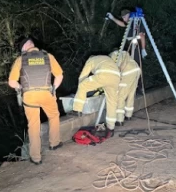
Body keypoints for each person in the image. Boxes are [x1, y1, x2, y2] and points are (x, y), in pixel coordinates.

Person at [8, 37, 64, 165]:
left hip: (29, 96)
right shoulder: (48, 56)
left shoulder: (21, 59)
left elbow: (12, 82)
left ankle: (36, 157)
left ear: (24, 48)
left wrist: (21, 88)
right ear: (33, 45)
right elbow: (59, 75)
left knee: (33, 125)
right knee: (54, 116)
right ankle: (54, 143)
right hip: (46, 93)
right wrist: (54, 89)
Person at [72, 55, 120, 138]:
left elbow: (83, 76)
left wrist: (80, 91)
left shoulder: (91, 60)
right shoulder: (105, 59)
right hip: (116, 77)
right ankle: (111, 129)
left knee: (83, 86)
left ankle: (77, 109)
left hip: (104, 74)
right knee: (112, 102)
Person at [109, 50, 141, 126]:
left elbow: (116, 68)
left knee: (121, 96)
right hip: (136, 69)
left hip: (127, 72)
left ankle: (119, 119)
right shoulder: (123, 52)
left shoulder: (112, 56)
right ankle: (128, 115)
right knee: (131, 93)